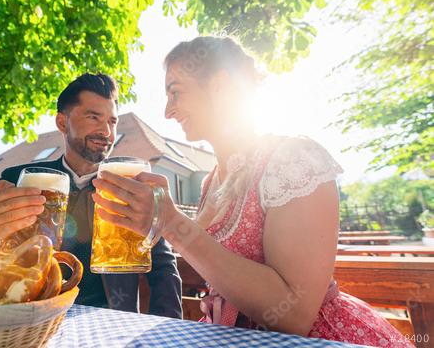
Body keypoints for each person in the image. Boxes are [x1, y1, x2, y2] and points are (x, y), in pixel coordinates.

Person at [91, 37, 412, 346]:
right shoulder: (211, 181)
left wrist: (172, 224)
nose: (168, 111)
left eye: (175, 93)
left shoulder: (293, 159)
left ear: (218, 85)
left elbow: (295, 317)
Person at [0, 73, 182, 319]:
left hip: (108, 326)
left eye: (112, 121)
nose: (107, 132)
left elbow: (163, 268)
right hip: (28, 327)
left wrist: (170, 335)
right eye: (94, 117)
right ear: (61, 122)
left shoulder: (129, 188)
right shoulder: (18, 181)